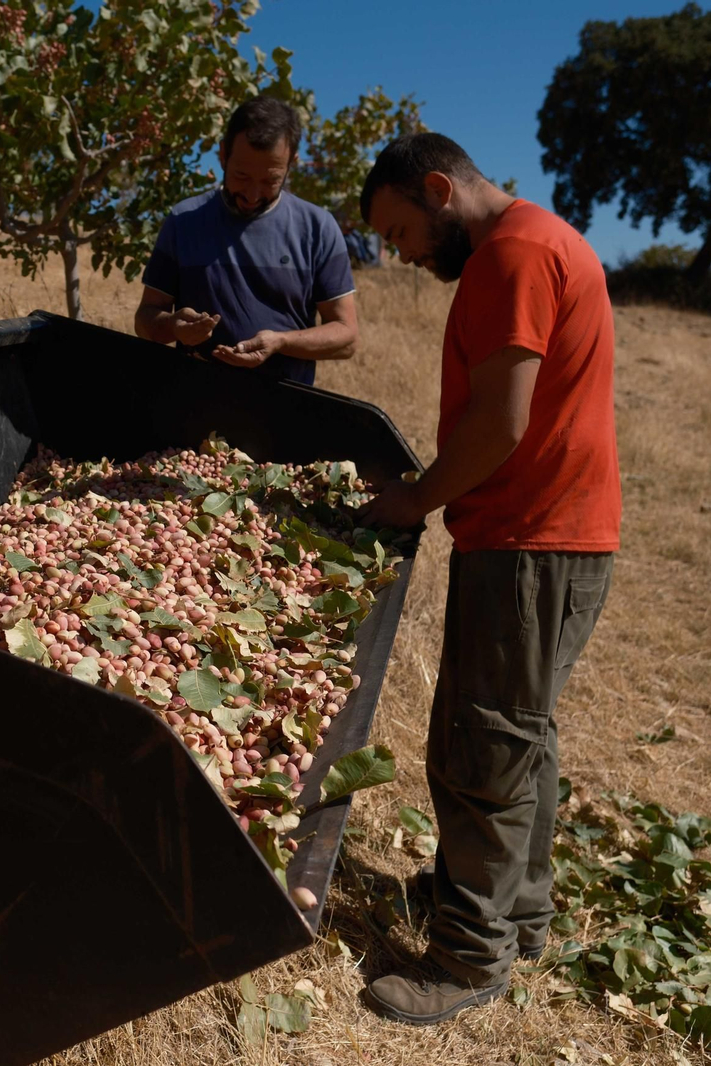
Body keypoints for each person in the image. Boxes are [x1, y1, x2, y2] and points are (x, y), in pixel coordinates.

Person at [354, 132, 620, 1025]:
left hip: (529, 540)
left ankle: (468, 961)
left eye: (403, 233)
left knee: (483, 750)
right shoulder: (542, 242)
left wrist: (416, 497)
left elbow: (501, 423)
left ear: (439, 191)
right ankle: (521, 915)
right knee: (520, 739)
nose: (403, 254)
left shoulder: (513, 253)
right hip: (550, 538)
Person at [133, 95, 358, 380]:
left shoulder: (319, 228)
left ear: (292, 163)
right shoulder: (184, 221)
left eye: (270, 181)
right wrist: (174, 326)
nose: (252, 195)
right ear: (223, 154)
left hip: (282, 414)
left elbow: (346, 337)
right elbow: (145, 321)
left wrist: (281, 342)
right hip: (193, 407)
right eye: (241, 175)